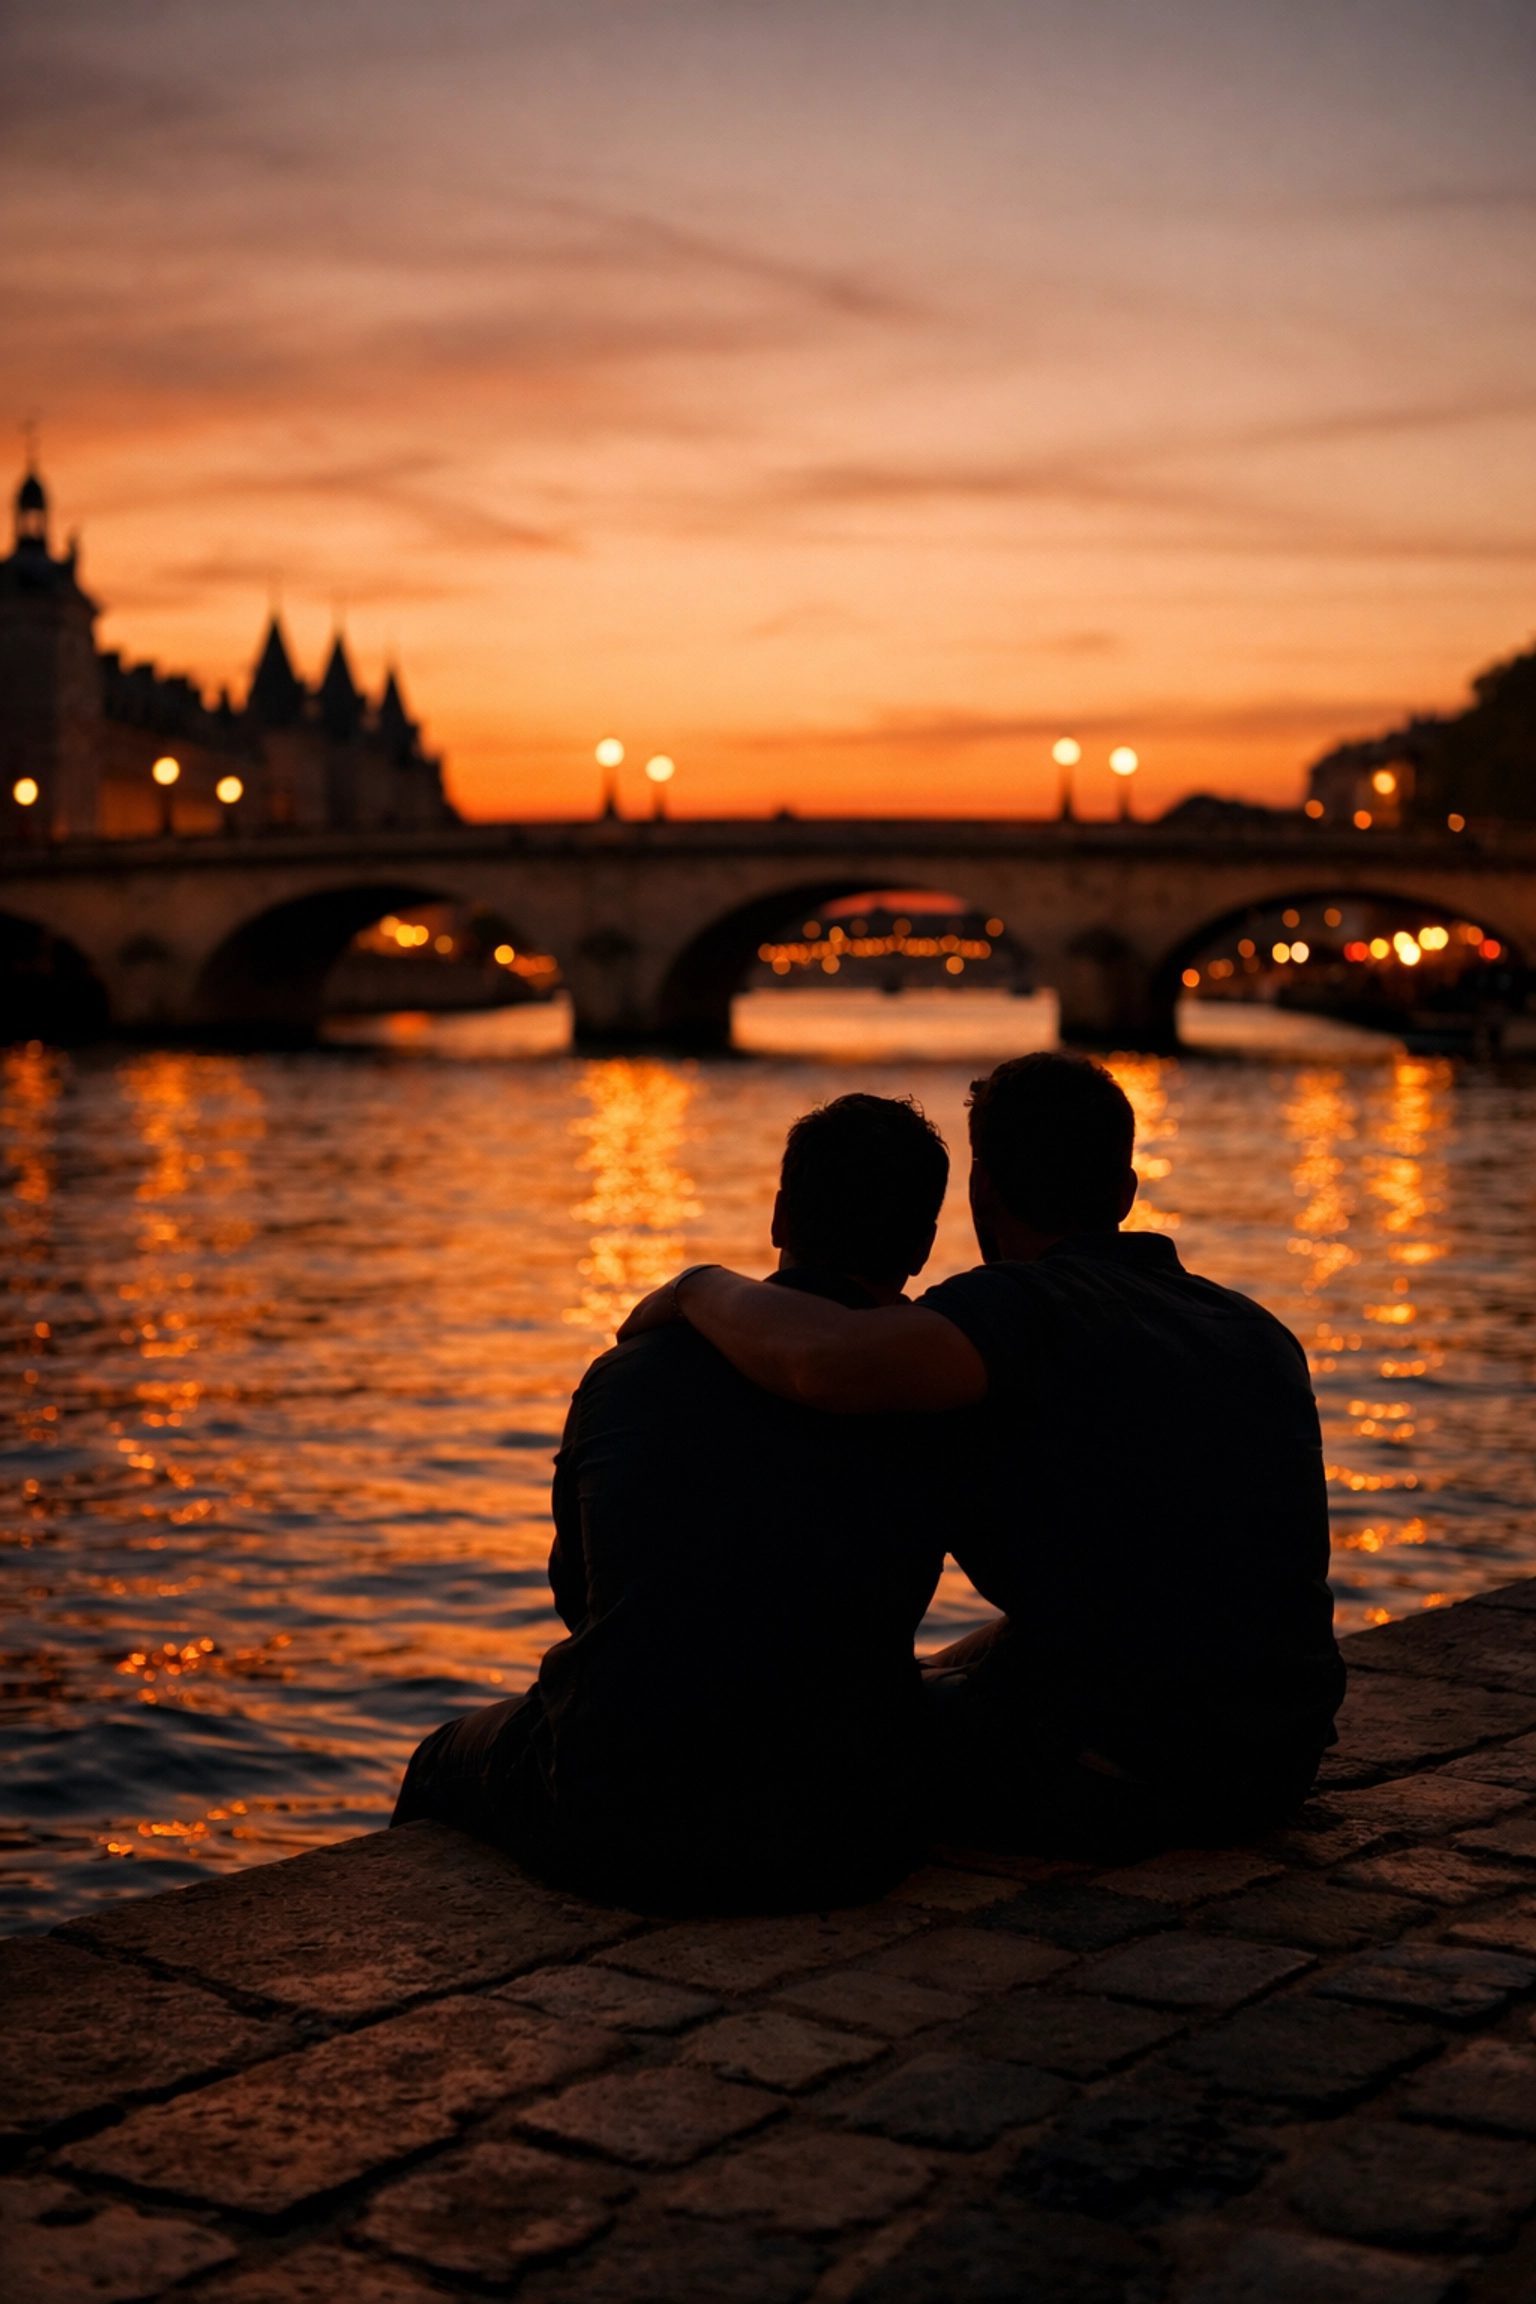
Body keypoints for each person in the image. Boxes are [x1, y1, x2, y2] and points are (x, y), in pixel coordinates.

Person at [619, 1051, 1344, 1857]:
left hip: (1130, 1771)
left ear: (982, 1193)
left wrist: (695, 1287)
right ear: (1125, 1193)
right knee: (948, 1667)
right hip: (1279, 1757)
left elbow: (821, 1361)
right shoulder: (1254, 1328)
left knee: (815, 1739)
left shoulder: (1018, 1312)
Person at [394, 1092, 957, 1909]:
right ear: (921, 1246)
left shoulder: (629, 1370)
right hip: (849, 1830)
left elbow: (578, 1598)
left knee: (439, 1761)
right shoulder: (936, 1387)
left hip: (619, 1816)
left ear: (778, 1217)